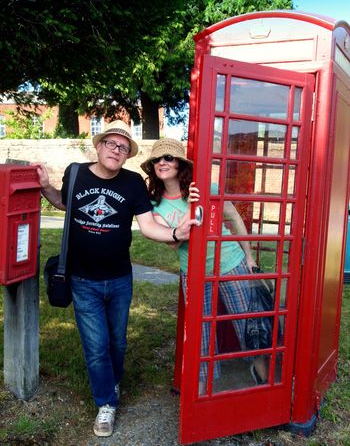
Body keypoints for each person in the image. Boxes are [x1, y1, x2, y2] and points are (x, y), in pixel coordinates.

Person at [36, 121, 197, 438]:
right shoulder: (76, 173)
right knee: (96, 347)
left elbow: (149, 226)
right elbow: (66, 204)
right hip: (83, 280)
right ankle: (106, 403)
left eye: (123, 147)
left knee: (117, 341)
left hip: (120, 279)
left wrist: (176, 233)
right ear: (98, 146)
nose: (116, 150)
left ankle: (112, 379)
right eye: (111, 143)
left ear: (127, 155)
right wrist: (45, 187)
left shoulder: (133, 183)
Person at [141, 138, 268, 394]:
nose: (162, 163)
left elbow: (233, 217)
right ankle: (198, 395)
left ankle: (263, 383)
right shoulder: (155, 204)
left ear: (179, 164)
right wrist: (190, 210)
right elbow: (175, 243)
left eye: (168, 158)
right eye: (157, 160)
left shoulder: (205, 187)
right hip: (194, 272)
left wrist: (250, 256)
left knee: (248, 322)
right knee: (200, 334)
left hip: (231, 262)